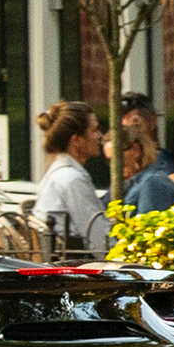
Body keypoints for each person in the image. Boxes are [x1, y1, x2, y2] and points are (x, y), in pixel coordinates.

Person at [33, 100, 109, 257]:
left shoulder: (58, 173)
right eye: (94, 130)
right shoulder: (71, 179)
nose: (100, 136)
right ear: (76, 140)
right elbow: (101, 242)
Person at [117, 92, 174, 196]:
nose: (128, 133)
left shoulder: (158, 159)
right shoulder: (118, 165)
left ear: (152, 121)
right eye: (123, 129)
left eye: (134, 125)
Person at [114, 124, 174, 218]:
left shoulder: (153, 182)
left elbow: (148, 224)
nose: (112, 165)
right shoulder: (127, 183)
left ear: (136, 151)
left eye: (115, 159)